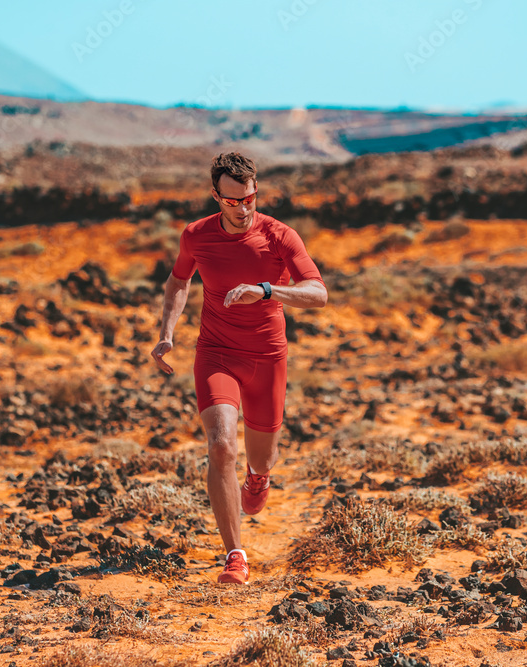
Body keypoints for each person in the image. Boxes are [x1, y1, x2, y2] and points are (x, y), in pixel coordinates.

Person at [150, 152, 328, 584]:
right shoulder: (196, 236)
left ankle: (258, 477)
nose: (243, 208)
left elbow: (318, 293)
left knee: (262, 456)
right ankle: (235, 555)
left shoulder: (280, 236)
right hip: (216, 353)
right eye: (232, 201)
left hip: (267, 357)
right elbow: (178, 281)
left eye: (249, 198)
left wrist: (266, 290)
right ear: (216, 197)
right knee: (221, 445)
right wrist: (167, 332)